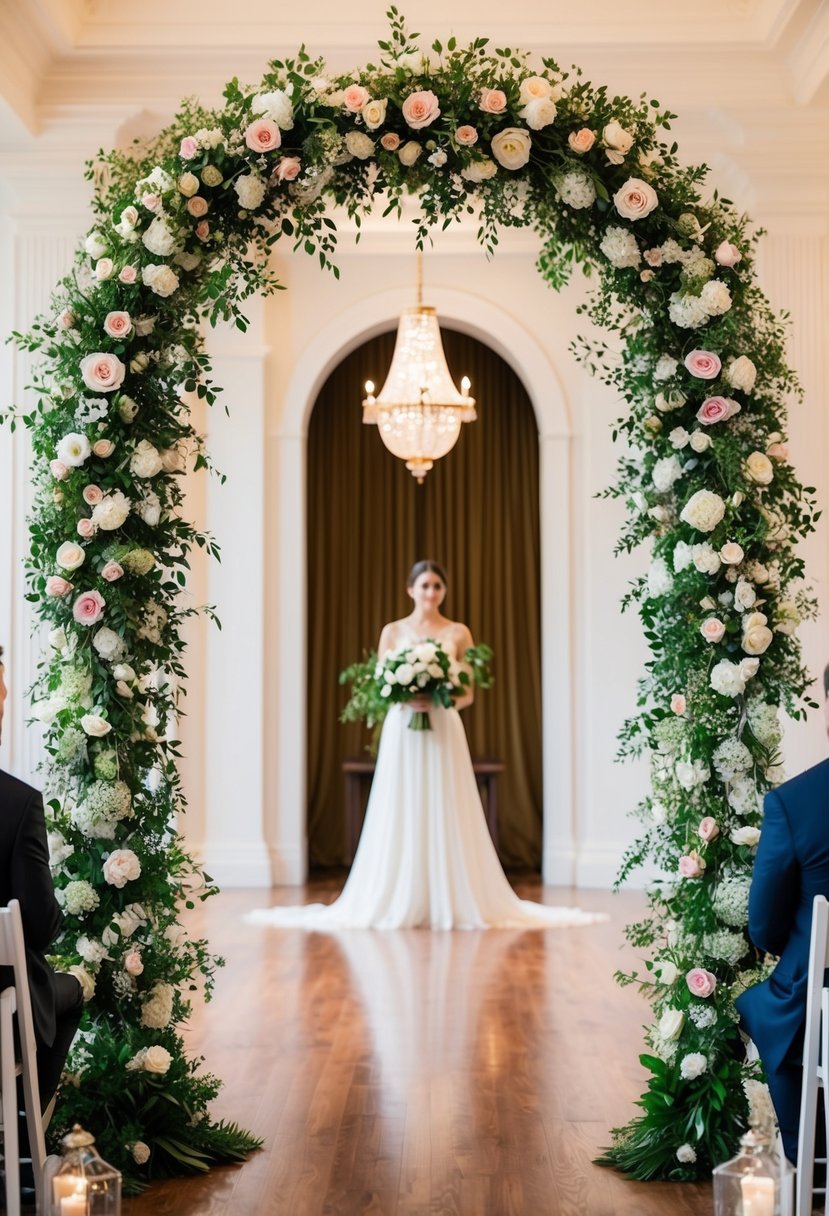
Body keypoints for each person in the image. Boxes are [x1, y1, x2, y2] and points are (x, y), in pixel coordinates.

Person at [249, 561, 604, 930]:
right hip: (402, 728)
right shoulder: (393, 632)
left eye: (437, 586)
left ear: (444, 591)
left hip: (443, 724)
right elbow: (380, 688)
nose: (431, 592)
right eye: (424, 585)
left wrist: (439, 699)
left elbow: (467, 692)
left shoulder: (458, 633)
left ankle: (451, 894)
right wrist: (405, 698)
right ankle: (400, 892)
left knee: (445, 800)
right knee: (401, 801)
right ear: (410, 590)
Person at [0, 645, 84, 1116]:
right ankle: (24, 1141)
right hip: (2, 1010)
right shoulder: (18, 805)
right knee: (69, 992)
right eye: (2, 691)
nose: (7, 699)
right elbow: (39, 926)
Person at [736, 755, 829, 1165]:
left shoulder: (796, 801)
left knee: (771, 1009)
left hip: (820, 1004)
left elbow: (764, 924)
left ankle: (810, 1157)